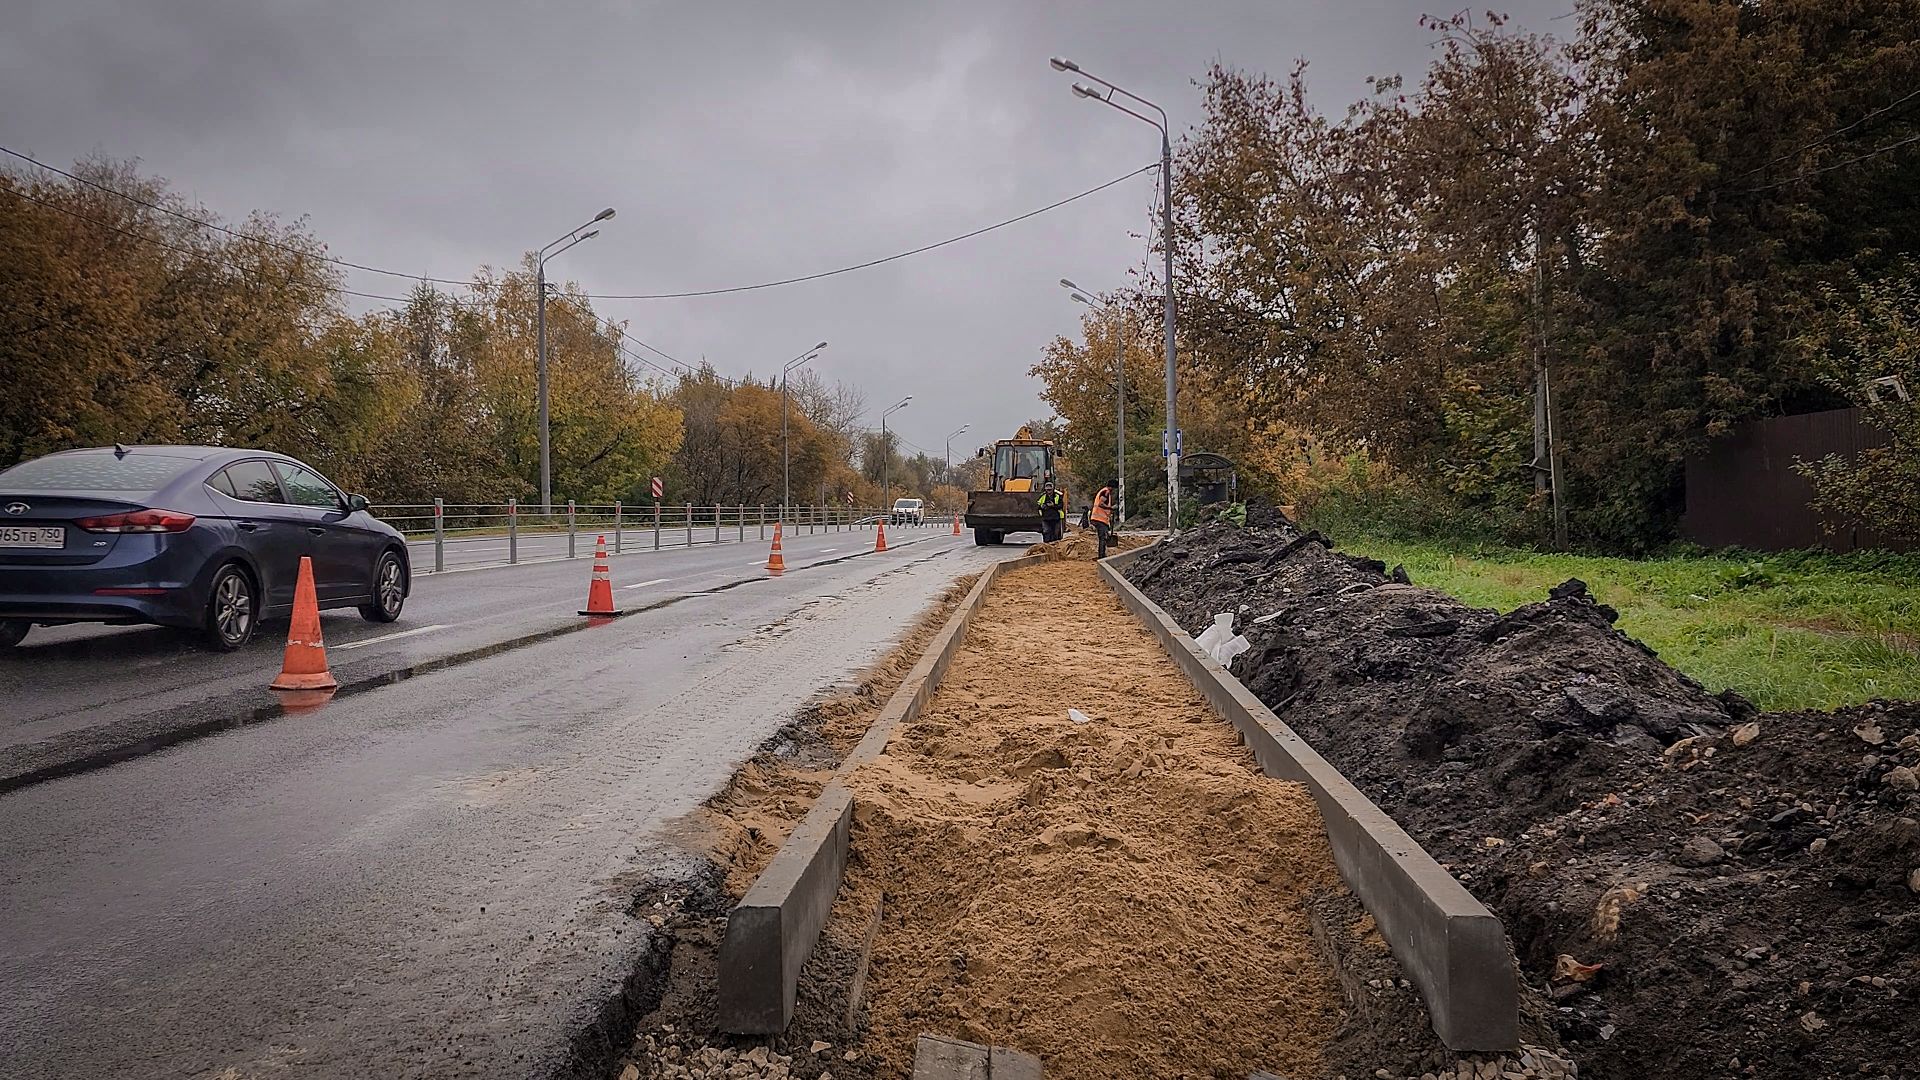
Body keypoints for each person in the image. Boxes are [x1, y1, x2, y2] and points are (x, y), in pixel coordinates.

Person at [1090, 479, 1115, 558]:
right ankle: (1101, 555)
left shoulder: (1104, 491)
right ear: (1112, 487)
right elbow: (1101, 503)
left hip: (1099, 518)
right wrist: (1110, 508)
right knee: (1102, 538)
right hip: (1100, 519)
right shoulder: (1106, 492)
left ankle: (1102, 554)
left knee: (1103, 537)